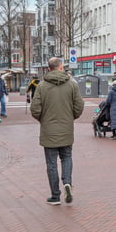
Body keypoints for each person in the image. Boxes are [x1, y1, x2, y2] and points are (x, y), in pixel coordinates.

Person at [30, 57, 84, 206]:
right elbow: (79, 106)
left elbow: (35, 108)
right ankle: (67, 182)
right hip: (66, 129)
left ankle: (55, 196)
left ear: (48, 69)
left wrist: (43, 120)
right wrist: (70, 117)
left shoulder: (41, 85)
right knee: (67, 157)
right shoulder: (72, 85)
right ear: (61, 67)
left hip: (48, 131)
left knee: (51, 164)